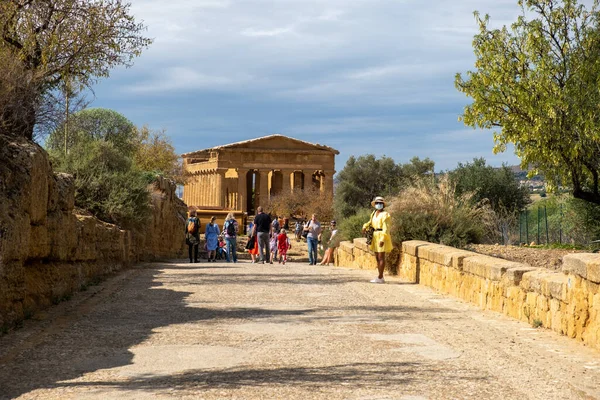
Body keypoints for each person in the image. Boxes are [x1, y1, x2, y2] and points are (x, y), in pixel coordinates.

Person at [362, 196, 393, 283]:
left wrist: (382, 239)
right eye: (377, 203)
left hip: (381, 235)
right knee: (377, 257)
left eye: (380, 203)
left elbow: (386, 228)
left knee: (381, 256)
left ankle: (380, 276)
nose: (378, 204)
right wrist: (365, 226)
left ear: (383, 204)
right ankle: (380, 276)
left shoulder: (385, 215)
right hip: (375, 235)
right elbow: (370, 222)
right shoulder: (374, 213)